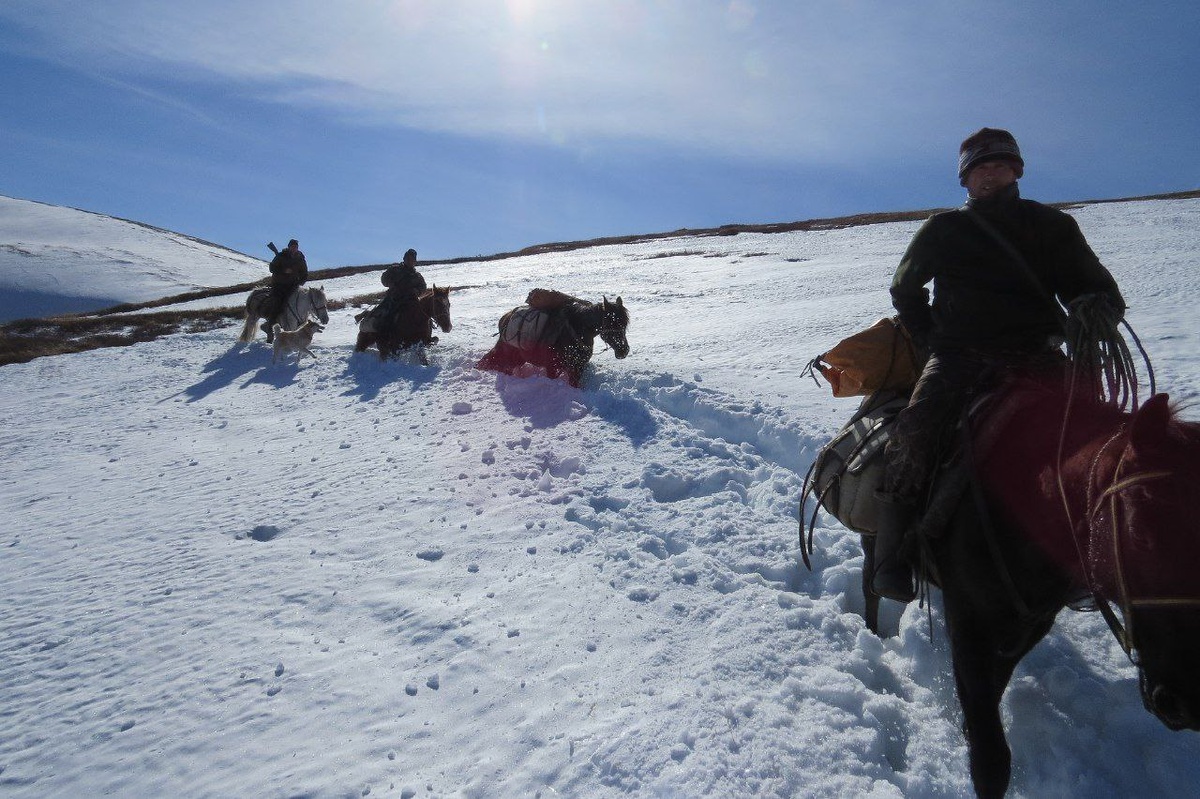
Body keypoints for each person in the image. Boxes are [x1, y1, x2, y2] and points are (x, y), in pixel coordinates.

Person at [873, 127, 1126, 602]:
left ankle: (1095, 552)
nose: (990, 174)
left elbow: (1094, 287)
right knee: (917, 429)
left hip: (1038, 355)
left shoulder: (1054, 227)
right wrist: (930, 338)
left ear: (1017, 171)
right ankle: (893, 556)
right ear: (965, 180)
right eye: (980, 168)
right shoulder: (942, 230)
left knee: (1100, 439)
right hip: (959, 355)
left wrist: (1094, 307)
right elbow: (905, 289)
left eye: (1000, 165)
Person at [263, 239, 309, 339]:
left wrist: (300, 283)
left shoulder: (300, 258)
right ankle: (269, 328)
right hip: (279, 285)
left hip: (293, 286)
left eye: (295, 247)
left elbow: (304, 274)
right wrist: (284, 270)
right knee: (277, 305)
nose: (294, 248)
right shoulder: (280, 256)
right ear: (289, 247)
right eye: (292, 246)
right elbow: (272, 268)